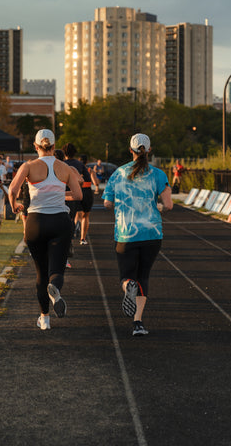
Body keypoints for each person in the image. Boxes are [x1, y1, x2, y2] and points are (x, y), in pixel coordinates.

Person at [8, 130, 82, 331]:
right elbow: (78, 194)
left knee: (40, 273)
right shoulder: (64, 167)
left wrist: (14, 205)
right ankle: (55, 288)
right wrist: (59, 195)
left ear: (36, 146)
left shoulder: (28, 166)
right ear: (54, 146)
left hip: (35, 222)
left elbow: (12, 190)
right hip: (60, 221)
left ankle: (45, 319)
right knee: (56, 270)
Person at [103, 133, 173, 337]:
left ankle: (128, 286)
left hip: (126, 233)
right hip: (152, 233)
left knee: (127, 275)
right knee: (144, 276)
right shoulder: (158, 174)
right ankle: (138, 323)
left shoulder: (118, 173)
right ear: (149, 150)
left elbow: (107, 202)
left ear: (130, 150)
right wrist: (158, 207)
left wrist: (120, 206)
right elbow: (168, 204)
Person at [62, 143, 92, 245]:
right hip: (85, 190)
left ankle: (70, 238)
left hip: (69, 193)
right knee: (85, 216)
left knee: (70, 216)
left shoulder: (62, 164)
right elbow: (85, 179)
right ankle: (83, 238)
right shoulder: (80, 164)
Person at [74, 154, 99, 245]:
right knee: (86, 216)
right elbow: (95, 183)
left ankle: (75, 226)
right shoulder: (89, 170)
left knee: (76, 213)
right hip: (87, 192)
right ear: (87, 162)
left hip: (77, 191)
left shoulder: (75, 170)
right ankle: (82, 239)